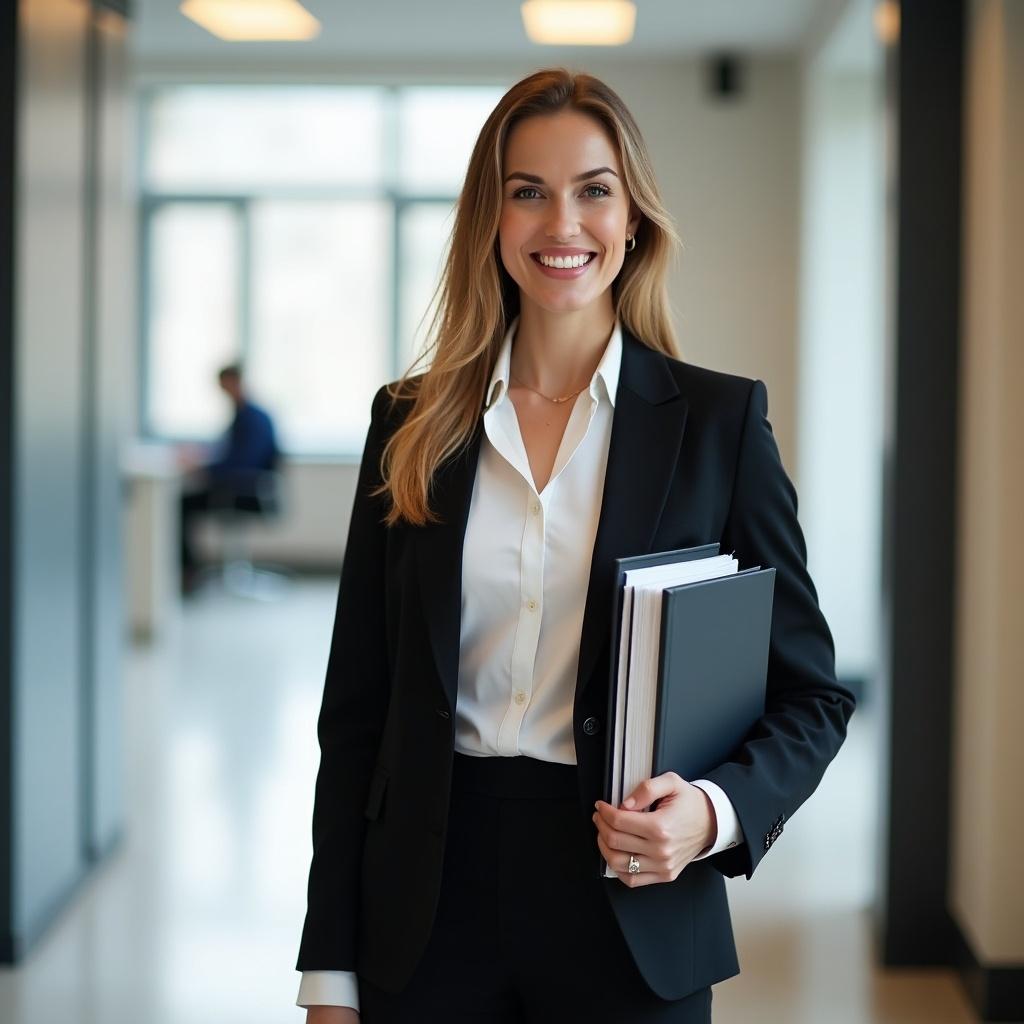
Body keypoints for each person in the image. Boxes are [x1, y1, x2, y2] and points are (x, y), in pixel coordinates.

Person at [295, 68, 855, 1024]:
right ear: (491, 219)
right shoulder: (409, 424)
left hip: (633, 902)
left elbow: (811, 695)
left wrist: (711, 815)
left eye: (594, 190)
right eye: (528, 192)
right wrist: (329, 971)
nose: (563, 224)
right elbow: (357, 712)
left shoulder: (718, 424)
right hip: (425, 907)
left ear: (632, 217)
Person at [178, 363, 279, 591]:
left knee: (182, 505)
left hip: (244, 492)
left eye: (225, 386)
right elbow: (230, 454)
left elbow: (243, 463)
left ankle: (188, 571)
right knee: (184, 501)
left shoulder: (252, 418)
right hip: (241, 488)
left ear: (236, 383)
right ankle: (189, 570)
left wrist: (205, 468)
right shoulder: (244, 415)